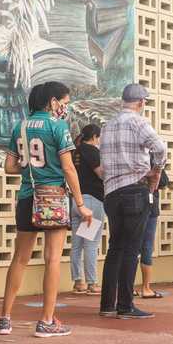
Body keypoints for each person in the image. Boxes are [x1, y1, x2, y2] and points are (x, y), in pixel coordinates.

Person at [0, 82, 92, 338]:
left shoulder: (20, 126)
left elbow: (9, 166)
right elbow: (69, 168)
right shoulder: (58, 126)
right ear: (52, 102)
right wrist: (81, 204)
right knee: (52, 260)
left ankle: (4, 318)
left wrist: (32, 169)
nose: (65, 107)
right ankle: (47, 321)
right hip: (53, 198)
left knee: (20, 258)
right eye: (65, 101)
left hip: (28, 196)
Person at [99, 84, 166, 319]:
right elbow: (160, 147)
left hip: (111, 192)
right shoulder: (139, 122)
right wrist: (156, 171)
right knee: (131, 249)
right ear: (141, 103)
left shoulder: (107, 125)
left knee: (115, 248)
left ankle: (107, 304)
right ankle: (126, 305)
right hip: (134, 190)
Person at [70, 124, 104, 295]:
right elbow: (101, 174)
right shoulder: (92, 151)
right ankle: (92, 283)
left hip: (76, 201)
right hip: (91, 201)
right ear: (95, 136)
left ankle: (78, 282)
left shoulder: (75, 151)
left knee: (77, 244)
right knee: (91, 243)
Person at [136, 158, 170, 299]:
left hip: (131, 203)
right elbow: (163, 181)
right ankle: (146, 287)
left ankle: (126, 287)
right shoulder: (151, 159)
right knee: (147, 246)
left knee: (131, 247)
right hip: (149, 206)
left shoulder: (129, 157)